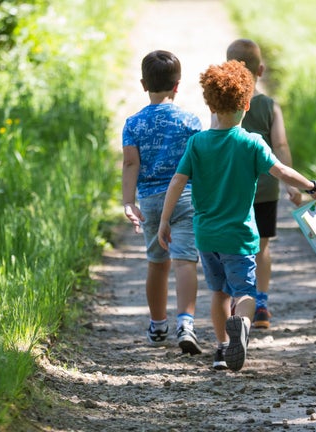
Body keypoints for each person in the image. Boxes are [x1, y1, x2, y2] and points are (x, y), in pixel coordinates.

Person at [157, 60, 316, 371]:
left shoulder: (197, 143)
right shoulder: (251, 143)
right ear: (246, 104)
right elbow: (281, 171)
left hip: (206, 235)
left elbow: (177, 182)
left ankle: (222, 348)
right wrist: (312, 186)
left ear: (210, 104)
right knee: (245, 293)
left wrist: (164, 220)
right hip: (239, 234)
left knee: (219, 292)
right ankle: (243, 325)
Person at [121, 50, 203, 355]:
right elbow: (200, 163)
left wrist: (129, 202)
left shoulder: (133, 123)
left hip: (153, 203)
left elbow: (131, 164)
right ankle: (186, 323)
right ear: (177, 85)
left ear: (144, 84)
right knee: (185, 261)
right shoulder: (190, 121)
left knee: (156, 263)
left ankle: (157, 325)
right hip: (185, 198)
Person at [226, 38, 302, 329]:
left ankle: (237, 300)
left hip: (234, 189)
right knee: (263, 246)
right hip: (266, 187)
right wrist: (291, 185)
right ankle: (261, 305)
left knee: (235, 246)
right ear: (261, 69)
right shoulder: (270, 106)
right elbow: (280, 144)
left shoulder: (225, 105)